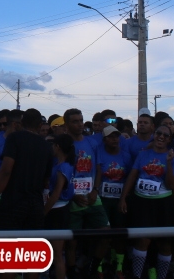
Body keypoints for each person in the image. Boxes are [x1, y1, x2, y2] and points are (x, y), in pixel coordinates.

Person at [0, 108, 53, 277]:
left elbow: (6, 171)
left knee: (9, 254)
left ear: (21, 123)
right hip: (35, 203)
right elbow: (46, 180)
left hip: (13, 202)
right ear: (40, 125)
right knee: (32, 257)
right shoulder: (46, 146)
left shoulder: (14, 138)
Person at [119, 124, 174, 279]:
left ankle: (162, 276)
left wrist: (168, 163)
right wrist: (123, 197)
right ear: (154, 135)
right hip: (142, 202)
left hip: (163, 202)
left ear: (169, 139)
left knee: (165, 243)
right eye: (159, 133)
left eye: (165, 135)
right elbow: (132, 176)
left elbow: (171, 185)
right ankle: (137, 275)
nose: (161, 137)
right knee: (142, 240)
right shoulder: (143, 154)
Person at [64, 108, 109, 279]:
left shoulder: (92, 143)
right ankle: (72, 272)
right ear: (67, 124)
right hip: (72, 198)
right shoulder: (65, 144)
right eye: (75, 121)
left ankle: (92, 268)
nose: (80, 124)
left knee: (106, 233)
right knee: (71, 241)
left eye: (81, 120)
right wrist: (72, 195)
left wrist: (95, 190)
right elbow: (61, 173)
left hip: (92, 196)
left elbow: (98, 168)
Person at [95, 125, 131, 279]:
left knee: (119, 234)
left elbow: (129, 178)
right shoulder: (99, 152)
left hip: (119, 200)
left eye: (116, 136)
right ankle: (99, 266)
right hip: (103, 199)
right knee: (103, 234)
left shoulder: (126, 156)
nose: (114, 139)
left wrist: (125, 198)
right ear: (104, 139)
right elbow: (97, 174)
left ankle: (119, 267)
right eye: (110, 137)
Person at [44, 134, 76, 279]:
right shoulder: (64, 165)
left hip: (57, 210)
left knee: (57, 254)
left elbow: (56, 193)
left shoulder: (62, 167)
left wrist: (44, 212)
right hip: (59, 209)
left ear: (57, 147)